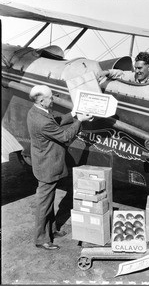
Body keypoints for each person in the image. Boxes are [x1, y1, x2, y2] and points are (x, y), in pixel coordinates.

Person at [27, 85, 93, 251]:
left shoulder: (36, 111)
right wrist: (80, 121)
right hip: (47, 166)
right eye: (50, 97)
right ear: (42, 100)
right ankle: (41, 239)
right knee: (44, 203)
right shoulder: (41, 120)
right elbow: (64, 136)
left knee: (49, 201)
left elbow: (55, 122)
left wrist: (73, 114)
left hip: (44, 162)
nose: (53, 99)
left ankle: (51, 230)